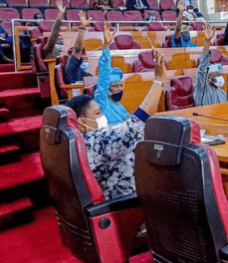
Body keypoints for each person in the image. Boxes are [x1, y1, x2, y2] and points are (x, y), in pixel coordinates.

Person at [64, 49, 166, 200]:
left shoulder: (79, 141)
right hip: (127, 204)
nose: (103, 116)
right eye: (98, 113)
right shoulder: (95, 141)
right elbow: (136, 122)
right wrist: (158, 80)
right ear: (82, 122)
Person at [94, 23, 132, 124]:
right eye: (115, 86)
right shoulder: (101, 102)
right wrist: (106, 46)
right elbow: (104, 77)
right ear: (107, 88)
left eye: (121, 85)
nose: (120, 88)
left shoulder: (120, 107)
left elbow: (130, 121)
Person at [194, 23, 228, 106]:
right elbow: (202, 68)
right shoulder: (202, 89)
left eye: (220, 75)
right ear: (209, 78)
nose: (219, 77)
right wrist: (207, 41)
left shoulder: (223, 94)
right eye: (216, 75)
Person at [63, 12, 93, 84]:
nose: (85, 61)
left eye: (86, 59)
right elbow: (77, 49)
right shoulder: (71, 68)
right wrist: (82, 28)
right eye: (83, 58)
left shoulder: (81, 71)